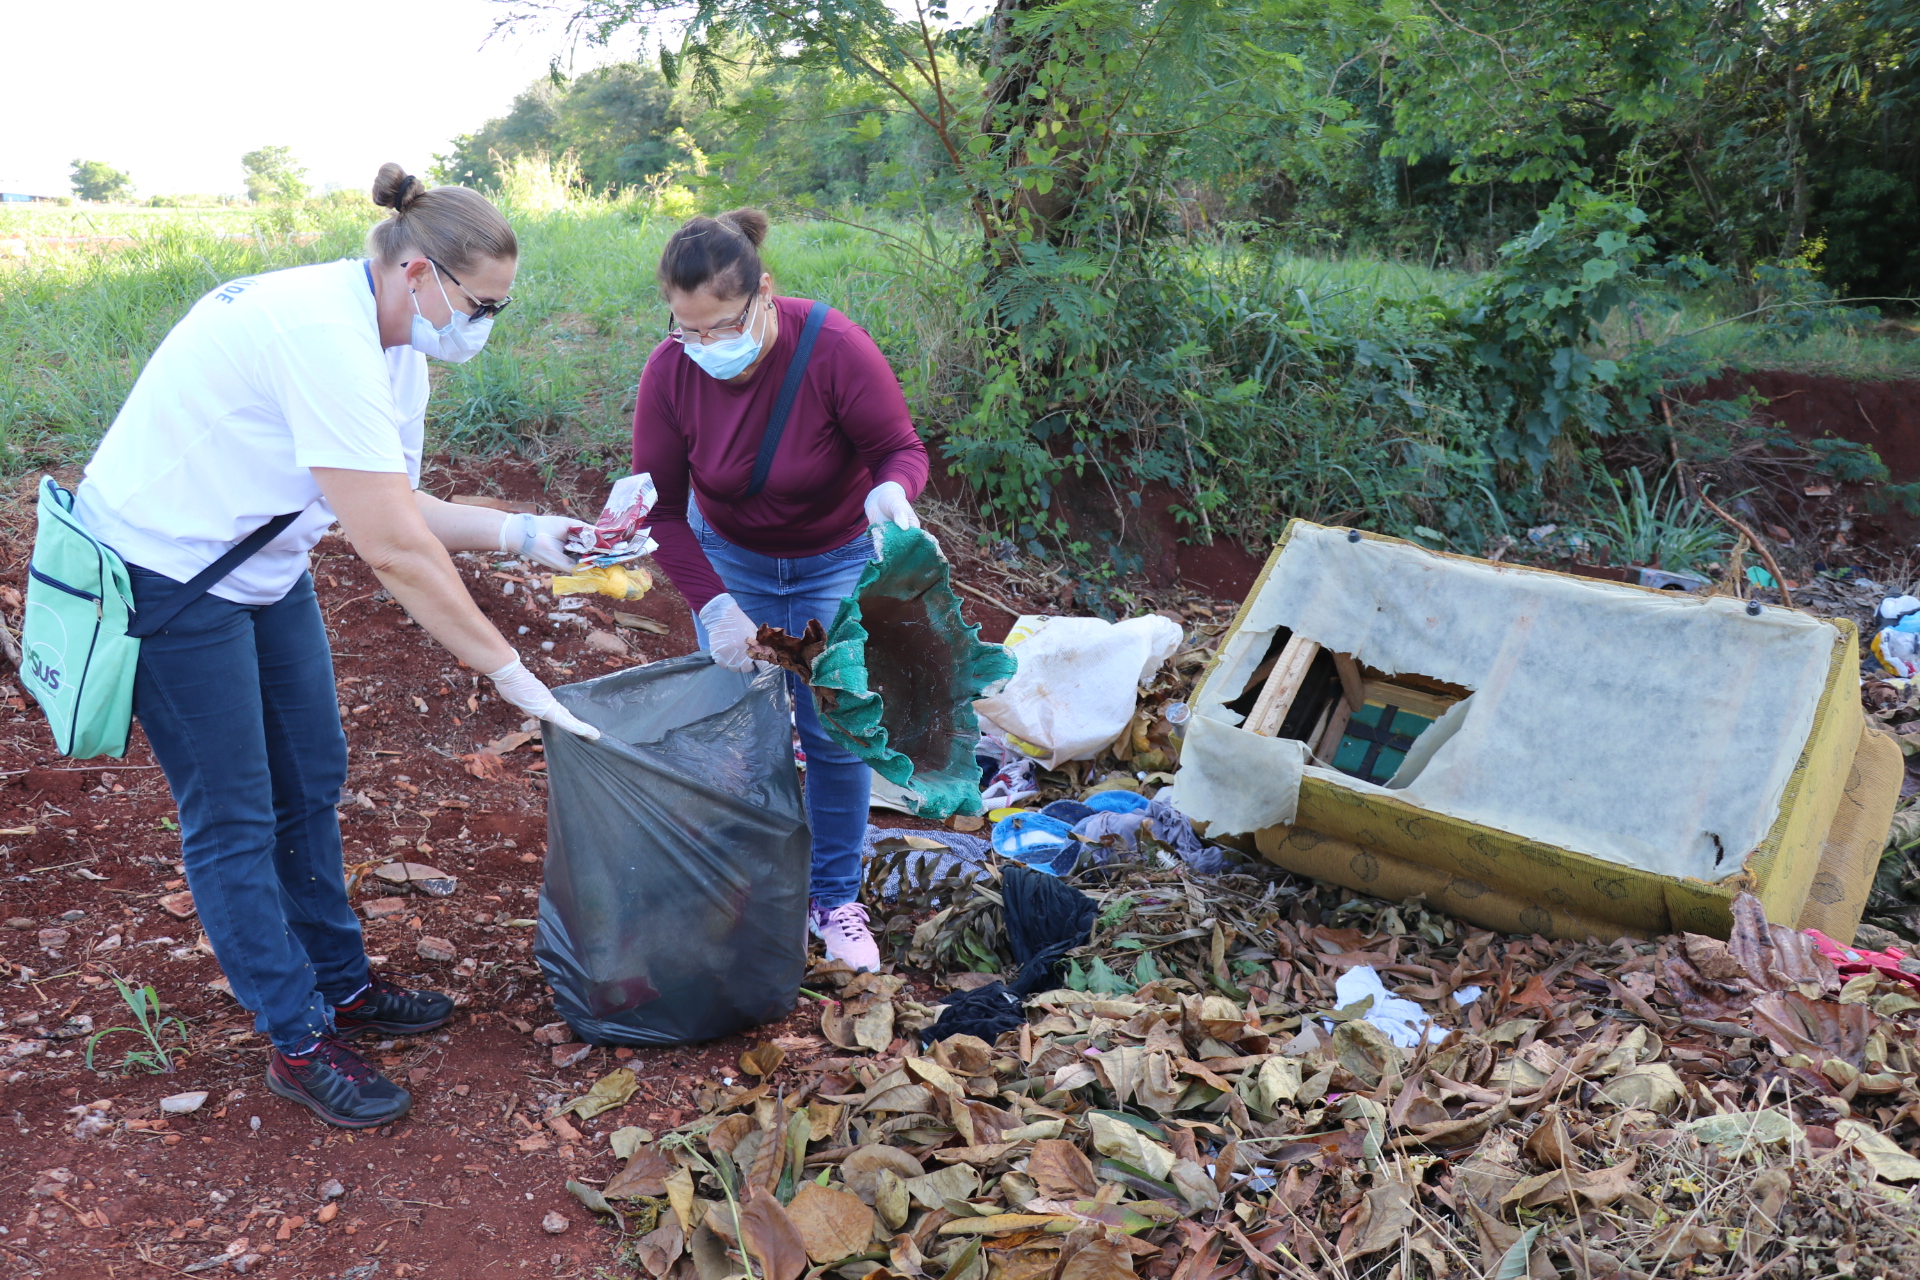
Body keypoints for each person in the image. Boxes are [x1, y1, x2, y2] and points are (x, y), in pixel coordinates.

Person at [72, 164, 598, 1129]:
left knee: (310, 775)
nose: (485, 326)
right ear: (415, 274)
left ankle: (340, 984)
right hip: (165, 576)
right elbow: (393, 549)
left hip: (259, 565)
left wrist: (530, 534)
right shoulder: (322, 337)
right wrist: (511, 674)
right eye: (480, 304)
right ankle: (297, 1036)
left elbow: (405, 502)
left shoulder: (395, 347)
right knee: (232, 815)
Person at [632, 209, 930, 973]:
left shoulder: (831, 347)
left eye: (720, 327)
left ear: (765, 291)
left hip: (834, 558)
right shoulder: (671, 373)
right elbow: (662, 510)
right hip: (732, 558)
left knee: (834, 730)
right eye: (685, 329)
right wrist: (716, 605)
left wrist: (892, 495)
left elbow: (899, 448)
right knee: (739, 731)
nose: (704, 348)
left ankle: (835, 897)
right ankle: (748, 891)